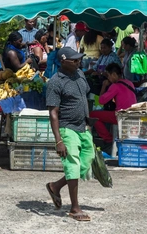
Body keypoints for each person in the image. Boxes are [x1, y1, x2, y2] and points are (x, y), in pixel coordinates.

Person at [45, 47, 94, 222]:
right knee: (72, 165)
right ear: (63, 61)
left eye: (79, 59)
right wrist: (58, 140)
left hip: (82, 126)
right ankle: (75, 208)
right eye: (74, 60)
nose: (78, 61)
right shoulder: (55, 82)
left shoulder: (80, 74)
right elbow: (53, 113)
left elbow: (84, 97)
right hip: (67, 128)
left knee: (86, 162)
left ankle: (55, 186)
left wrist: (88, 123)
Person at [89, 63, 137, 144]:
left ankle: (108, 139)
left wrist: (104, 86)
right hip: (132, 114)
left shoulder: (115, 86)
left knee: (92, 115)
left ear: (114, 74)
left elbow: (101, 101)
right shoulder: (130, 83)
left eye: (108, 75)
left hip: (120, 116)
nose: (108, 78)